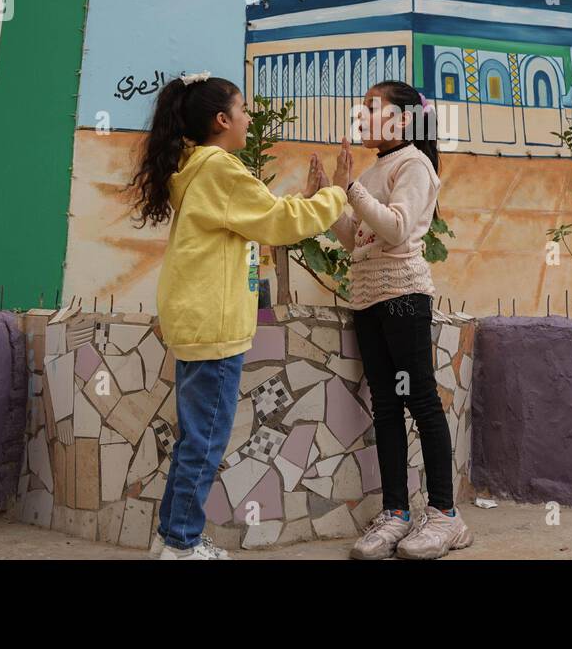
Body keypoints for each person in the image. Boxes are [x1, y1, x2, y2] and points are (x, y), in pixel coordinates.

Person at [130, 71, 345, 560]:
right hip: (214, 326)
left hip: (195, 320)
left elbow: (263, 217)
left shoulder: (195, 168)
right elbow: (279, 222)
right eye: (243, 109)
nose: (250, 117)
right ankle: (181, 545)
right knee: (205, 441)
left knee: (194, 438)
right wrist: (336, 195)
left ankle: (172, 537)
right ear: (222, 119)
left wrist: (311, 201)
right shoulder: (219, 169)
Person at [317, 79, 473, 559]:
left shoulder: (415, 164)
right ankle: (396, 513)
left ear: (404, 119)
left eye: (370, 108)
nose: (360, 116)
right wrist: (329, 198)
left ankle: (446, 516)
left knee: (420, 401)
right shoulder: (376, 167)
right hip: (367, 296)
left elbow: (398, 227)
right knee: (386, 405)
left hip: (403, 295)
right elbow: (359, 240)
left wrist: (351, 190)